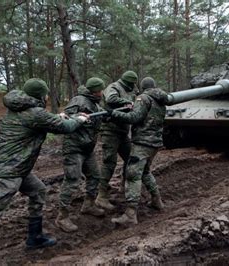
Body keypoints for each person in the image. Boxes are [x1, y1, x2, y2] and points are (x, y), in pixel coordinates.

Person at [0, 78, 89, 265]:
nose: (46, 97)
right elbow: (66, 128)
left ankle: (34, 237)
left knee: (38, 191)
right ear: (40, 95)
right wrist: (80, 119)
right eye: (45, 94)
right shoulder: (35, 113)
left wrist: (58, 117)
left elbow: (45, 120)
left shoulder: (20, 108)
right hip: (10, 170)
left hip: (17, 166)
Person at [109, 77, 166, 226]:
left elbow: (134, 118)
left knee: (133, 174)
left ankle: (130, 214)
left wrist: (114, 114)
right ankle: (157, 201)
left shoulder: (143, 98)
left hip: (142, 143)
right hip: (154, 142)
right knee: (146, 171)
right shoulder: (161, 99)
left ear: (142, 87)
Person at [55, 78, 107, 232]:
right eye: (99, 90)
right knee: (72, 180)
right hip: (74, 148)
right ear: (93, 91)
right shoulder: (79, 100)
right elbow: (66, 119)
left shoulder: (95, 103)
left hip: (87, 149)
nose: (102, 93)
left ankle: (89, 204)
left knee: (95, 176)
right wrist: (78, 118)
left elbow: (100, 118)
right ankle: (62, 217)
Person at [95, 71, 138, 211]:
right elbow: (111, 100)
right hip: (110, 131)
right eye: (131, 84)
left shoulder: (130, 90)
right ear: (127, 82)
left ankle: (124, 186)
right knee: (109, 163)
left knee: (131, 159)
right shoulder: (114, 87)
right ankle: (101, 196)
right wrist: (127, 102)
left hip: (123, 132)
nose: (133, 87)